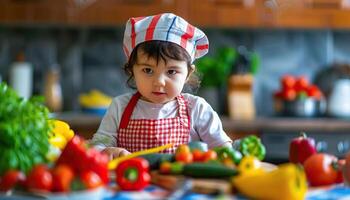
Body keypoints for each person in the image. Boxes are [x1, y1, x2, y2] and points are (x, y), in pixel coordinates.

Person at [90, 13, 232, 159]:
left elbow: (224, 148)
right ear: (132, 69)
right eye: (148, 70)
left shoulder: (196, 108)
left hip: (182, 182)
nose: (159, 81)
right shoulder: (119, 107)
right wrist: (106, 150)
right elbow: (100, 144)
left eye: (171, 71)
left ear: (188, 73)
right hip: (133, 180)